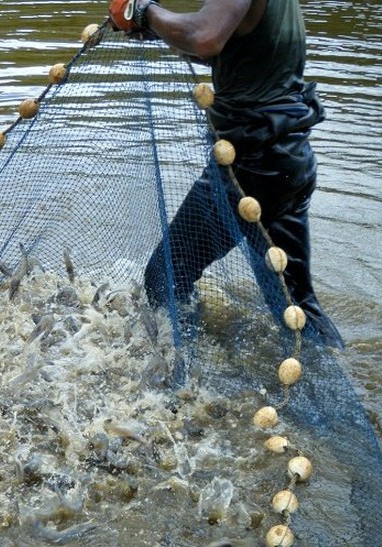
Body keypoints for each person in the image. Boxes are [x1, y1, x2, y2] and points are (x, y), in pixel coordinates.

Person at [108, 0, 345, 349]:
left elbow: (205, 37)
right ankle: (331, 376)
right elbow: (229, 50)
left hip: (251, 167)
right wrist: (158, 31)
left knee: (167, 275)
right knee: (294, 305)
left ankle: (184, 384)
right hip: (287, 159)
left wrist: (143, 11)